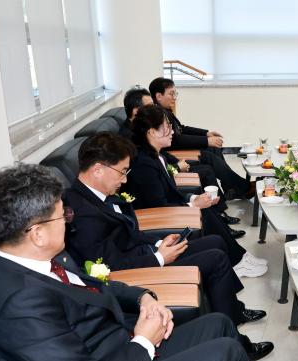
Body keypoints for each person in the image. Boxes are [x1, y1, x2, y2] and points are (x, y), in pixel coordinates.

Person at [0, 164, 292, 361]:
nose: (70, 222)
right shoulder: (19, 303)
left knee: (219, 325)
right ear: (38, 233)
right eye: (64, 216)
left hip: (114, 353)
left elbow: (98, 285)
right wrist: (144, 341)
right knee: (226, 358)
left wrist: (142, 298)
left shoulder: (38, 258)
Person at [66, 133, 271, 330]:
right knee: (215, 259)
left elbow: (130, 232)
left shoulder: (97, 194)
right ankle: (234, 328)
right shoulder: (82, 214)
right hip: (136, 271)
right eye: (122, 172)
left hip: (145, 252)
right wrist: (159, 258)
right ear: (98, 170)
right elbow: (109, 266)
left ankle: (234, 310)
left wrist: (159, 242)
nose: (125, 180)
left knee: (215, 242)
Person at [120, 87, 241, 227]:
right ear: (137, 112)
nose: (154, 108)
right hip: (159, 214)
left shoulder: (151, 146)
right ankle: (237, 193)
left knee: (211, 154)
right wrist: (178, 168)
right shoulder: (136, 150)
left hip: (171, 173)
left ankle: (232, 195)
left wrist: (193, 197)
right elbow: (158, 203)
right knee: (207, 167)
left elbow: (170, 145)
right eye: (149, 106)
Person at [148, 77, 254, 200]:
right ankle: (242, 187)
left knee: (214, 149)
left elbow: (182, 129)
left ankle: (231, 187)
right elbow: (176, 140)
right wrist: (206, 141)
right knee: (209, 155)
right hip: (172, 153)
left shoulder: (165, 111)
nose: (174, 97)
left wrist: (206, 134)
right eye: (171, 94)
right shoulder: (158, 116)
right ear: (159, 96)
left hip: (177, 148)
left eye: (175, 94)